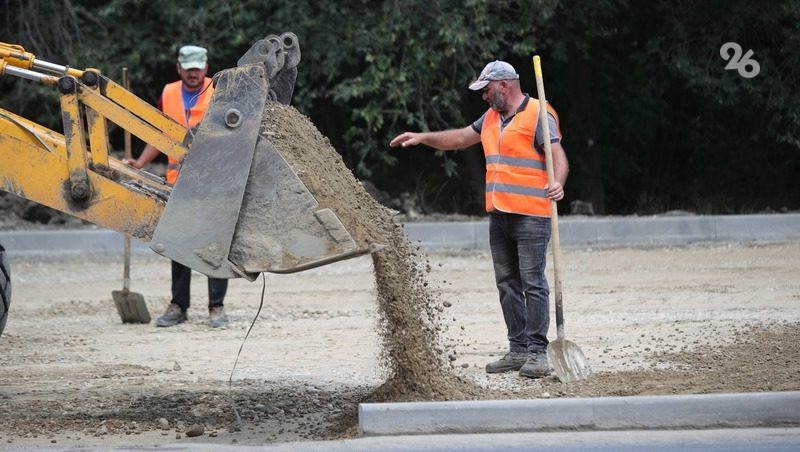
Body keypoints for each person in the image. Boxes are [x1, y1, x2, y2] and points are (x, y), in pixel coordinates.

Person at [389, 60, 568, 378]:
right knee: (507, 284)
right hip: (499, 213)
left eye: (486, 90)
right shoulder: (491, 117)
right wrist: (423, 137)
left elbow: (558, 156)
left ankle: (538, 353)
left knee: (533, 283)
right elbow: (459, 138)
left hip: (531, 214)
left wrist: (559, 183)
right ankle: (518, 350)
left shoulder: (539, 114)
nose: (484, 96)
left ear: (504, 85)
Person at [124, 45, 229, 328]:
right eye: (188, 68)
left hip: (213, 183)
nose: (193, 74)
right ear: (179, 68)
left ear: (206, 68)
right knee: (178, 245)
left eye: (198, 69)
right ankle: (178, 306)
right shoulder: (169, 93)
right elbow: (160, 135)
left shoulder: (220, 92)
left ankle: (216, 308)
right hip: (179, 185)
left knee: (214, 246)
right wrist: (140, 163)